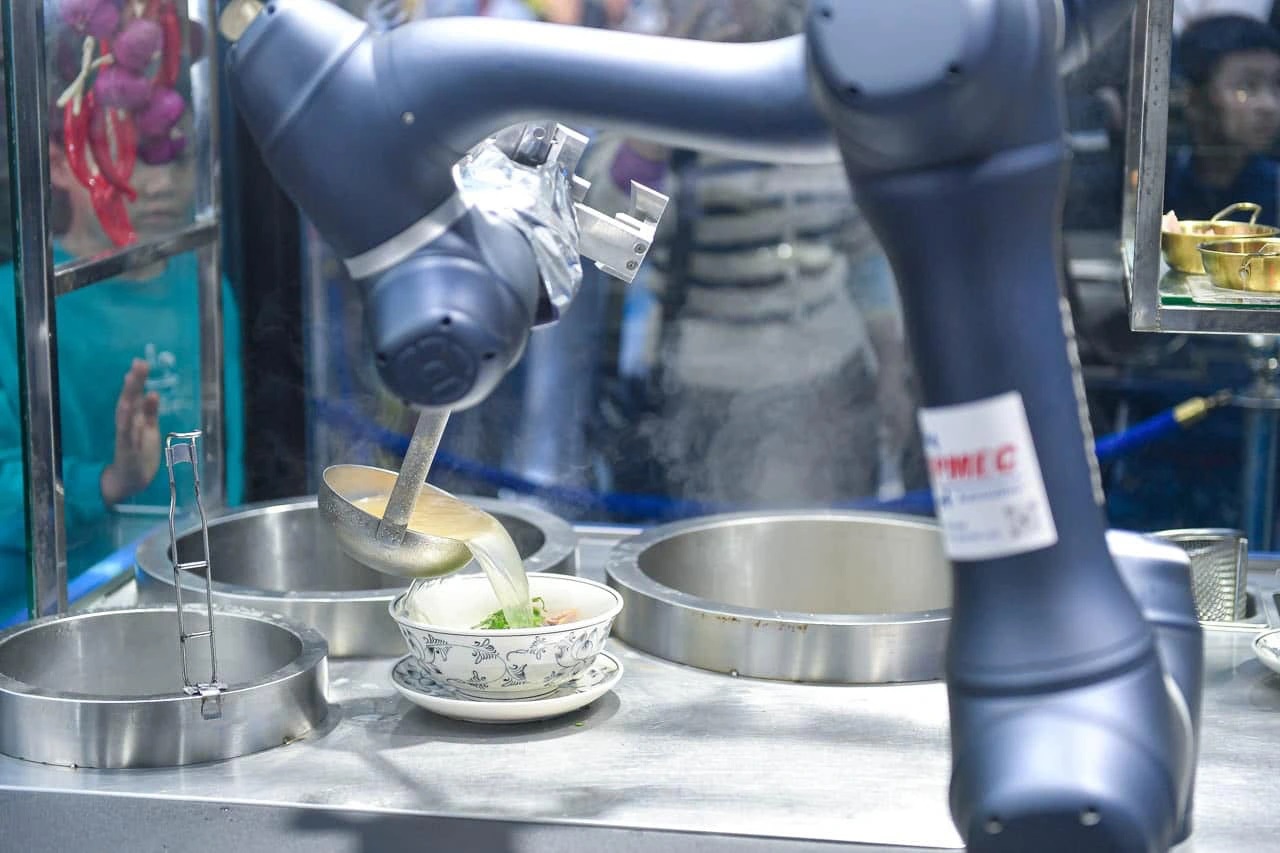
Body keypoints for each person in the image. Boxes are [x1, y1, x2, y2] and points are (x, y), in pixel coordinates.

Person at [583, 0, 921, 511]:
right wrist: (672, 74)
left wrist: (893, 370)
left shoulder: (823, 78)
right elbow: (608, 242)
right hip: (707, 384)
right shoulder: (657, 79)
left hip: (832, 376)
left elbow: (865, 251)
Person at [0, 98, 245, 614]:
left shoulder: (202, 281)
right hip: (55, 606)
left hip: (193, 586)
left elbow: (230, 456)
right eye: (126, 158)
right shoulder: (13, 304)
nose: (158, 185)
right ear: (61, 164)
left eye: (175, 159)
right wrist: (108, 480)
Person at [1165, 15, 1280, 224]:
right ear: (1195, 99)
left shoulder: (1274, 189)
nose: (1269, 105)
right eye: (1246, 87)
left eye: (1277, 86)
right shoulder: (1164, 183)